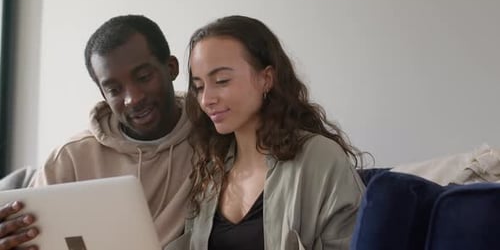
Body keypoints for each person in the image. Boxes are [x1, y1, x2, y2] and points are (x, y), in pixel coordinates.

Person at [167, 15, 366, 250]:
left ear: (266, 79)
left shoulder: (319, 158)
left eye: (221, 81)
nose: (206, 99)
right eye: (199, 87)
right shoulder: (211, 171)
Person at [0, 15, 194, 249]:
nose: (133, 99)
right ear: (103, 94)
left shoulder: (216, 134)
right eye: (114, 89)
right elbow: (29, 236)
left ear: (171, 68)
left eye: (144, 77)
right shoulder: (71, 158)